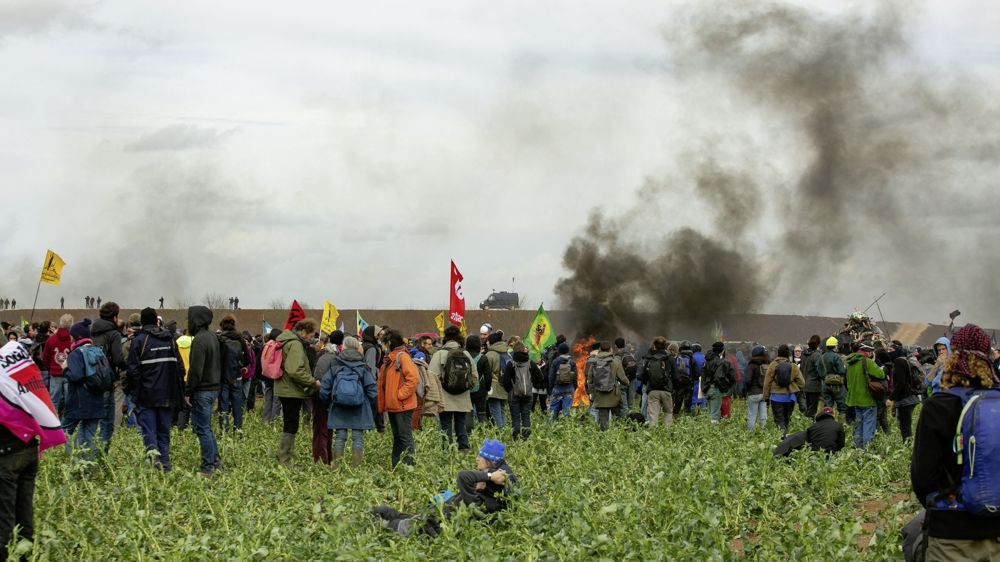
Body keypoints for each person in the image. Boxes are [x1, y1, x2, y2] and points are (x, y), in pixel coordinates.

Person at [910, 323, 1000, 559]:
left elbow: (923, 478)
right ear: (989, 356)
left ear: (953, 356)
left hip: (952, 533)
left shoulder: (937, 405)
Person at [372, 439, 518, 537]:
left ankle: (383, 522)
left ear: (489, 460)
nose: (477, 458)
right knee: (419, 517)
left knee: (411, 525)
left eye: (481, 456)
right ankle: (389, 514)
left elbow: (463, 476)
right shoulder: (500, 472)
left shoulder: (492, 484)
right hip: (448, 513)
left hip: (446, 522)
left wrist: (488, 477)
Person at [126, 308, 184, 471]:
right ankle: (165, 463)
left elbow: (132, 370)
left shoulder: (139, 341)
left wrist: (135, 393)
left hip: (147, 395)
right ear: (156, 321)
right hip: (167, 394)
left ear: (142, 323)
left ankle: (155, 464)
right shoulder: (170, 340)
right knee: (164, 430)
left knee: (149, 430)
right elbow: (180, 368)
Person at [318, 336, 376, 467]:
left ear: (343, 347)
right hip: (359, 407)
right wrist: (370, 403)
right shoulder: (363, 365)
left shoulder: (335, 363)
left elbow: (325, 387)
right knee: (357, 438)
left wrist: (328, 402)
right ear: (357, 347)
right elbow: (372, 389)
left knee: (339, 437)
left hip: (338, 406)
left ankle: (337, 467)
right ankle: (355, 468)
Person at [275, 319, 321, 467]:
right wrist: (312, 382)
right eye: (311, 334)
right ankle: (285, 460)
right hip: (291, 390)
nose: (311, 338)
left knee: (290, 422)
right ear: (303, 331)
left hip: (285, 388)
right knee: (291, 424)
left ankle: (284, 457)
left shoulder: (287, 340)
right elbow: (295, 370)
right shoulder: (295, 344)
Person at [60, 319, 105, 461]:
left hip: (78, 402)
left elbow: (76, 376)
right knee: (89, 436)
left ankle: (70, 462)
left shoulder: (76, 353)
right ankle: (87, 467)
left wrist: (65, 369)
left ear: (77, 336)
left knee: (64, 432)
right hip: (97, 401)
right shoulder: (98, 351)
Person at [185, 306, 221, 477]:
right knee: (207, 428)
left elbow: (195, 371)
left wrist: (188, 391)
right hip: (213, 388)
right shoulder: (212, 337)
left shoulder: (199, 340)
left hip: (203, 390)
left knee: (203, 429)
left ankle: (207, 468)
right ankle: (215, 462)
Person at [378, 329, 419, 468]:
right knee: (398, 438)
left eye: (383, 343)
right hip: (394, 406)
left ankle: (409, 467)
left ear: (389, 343)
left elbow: (413, 379)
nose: (381, 346)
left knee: (405, 437)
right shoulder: (391, 359)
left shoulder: (402, 357)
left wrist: (399, 395)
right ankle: (395, 466)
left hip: (402, 405)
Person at [430, 326, 474, 452]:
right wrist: (465, 388)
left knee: (445, 425)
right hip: (463, 396)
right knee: (461, 424)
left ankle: (447, 450)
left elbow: (432, 376)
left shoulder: (439, 354)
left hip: (444, 397)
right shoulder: (466, 354)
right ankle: (464, 449)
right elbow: (474, 376)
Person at [90, 302, 124, 453]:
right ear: (115, 317)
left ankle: (85, 452)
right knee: (107, 422)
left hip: (90, 377)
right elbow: (118, 359)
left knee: (90, 421)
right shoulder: (114, 334)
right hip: (106, 379)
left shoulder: (91, 331)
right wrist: (128, 366)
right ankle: (101, 456)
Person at [310, 330, 344, 465]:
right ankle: (322, 459)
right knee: (323, 429)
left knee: (322, 428)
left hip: (319, 394)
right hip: (324, 395)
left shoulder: (322, 355)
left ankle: (324, 457)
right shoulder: (335, 358)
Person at [845, 343, 885, 450]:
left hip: (854, 399)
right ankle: (867, 453)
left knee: (858, 427)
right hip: (868, 400)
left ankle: (858, 451)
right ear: (867, 351)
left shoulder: (849, 362)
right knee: (868, 427)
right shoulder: (866, 361)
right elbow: (881, 375)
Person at [500, 341, 542, 441]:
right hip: (528, 394)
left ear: (513, 350)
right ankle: (526, 439)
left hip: (514, 395)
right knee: (526, 417)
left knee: (515, 418)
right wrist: (532, 385)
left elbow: (505, 381)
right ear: (524, 349)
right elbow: (540, 377)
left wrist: (510, 390)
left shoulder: (511, 364)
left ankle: (516, 439)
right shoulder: (530, 363)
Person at [763, 344, 805, 437]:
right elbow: (802, 383)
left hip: (776, 397)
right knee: (786, 419)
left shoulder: (773, 365)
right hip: (790, 398)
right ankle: (786, 435)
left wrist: (766, 397)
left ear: (778, 353)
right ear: (788, 354)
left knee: (779, 420)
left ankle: (783, 437)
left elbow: (767, 383)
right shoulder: (793, 366)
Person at [216, 315, 250, 433]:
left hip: (223, 377)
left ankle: (224, 430)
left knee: (223, 405)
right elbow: (248, 359)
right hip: (237, 375)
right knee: (237, 404)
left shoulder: (219, 339)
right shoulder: (240, 338)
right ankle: (238, 429)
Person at [586, 341, 628, 430]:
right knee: (618, 418)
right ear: (610, 349)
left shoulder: (594, 362)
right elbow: (622, 378)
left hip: (600, 395)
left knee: (603, 422)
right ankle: (619, 436)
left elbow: (590, 380)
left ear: (600, 350)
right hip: (614, 395)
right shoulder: (616, 362)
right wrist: (627, 383)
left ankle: (604, 438)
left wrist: (592, 393)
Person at [637, 337, 675, 427]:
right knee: (668, 412)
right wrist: (672, 387)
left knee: (653, 414)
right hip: (666, 390)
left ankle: (653, 433)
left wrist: (648, 383)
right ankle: (667, 431)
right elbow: (676, 375)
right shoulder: (669, 358)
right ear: (665, 346)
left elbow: (642, 375)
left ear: (654, 345)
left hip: (653, 390)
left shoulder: (649, 358)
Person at [42, 314, 73, 417]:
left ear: (60, 323)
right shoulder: (73, 340)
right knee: (70, 401)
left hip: (55, 374)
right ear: (71, 324)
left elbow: (45, 358)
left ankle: (54, 426)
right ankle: (67, 426)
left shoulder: (51, 340)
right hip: (70, 373)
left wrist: (50, 368)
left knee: (54, 401)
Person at [702, 342, 735, 423]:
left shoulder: (707, 361)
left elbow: (703, 375)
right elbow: (718, 377)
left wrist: (704, 387)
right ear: (722, 351)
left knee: (710, 413)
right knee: (715, 415)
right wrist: (724, 388)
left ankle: (708, 431)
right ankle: (713, 433)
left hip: (707, 389)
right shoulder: (719, 362)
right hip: (715, 389)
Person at [889, 356, 920, 440]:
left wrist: (891, 397)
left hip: (905, 400)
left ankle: (907, 445)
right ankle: (908, 444)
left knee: (905, 426)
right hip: (911, 398)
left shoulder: (898, 361)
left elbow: (901, 382)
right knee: (906, 425)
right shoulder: (905, 360)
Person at [361, 325, 385, 433]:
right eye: (378, 334)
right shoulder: (371, 348)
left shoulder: (364, 345)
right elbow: (370, 366)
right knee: (374, 405)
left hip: (364, 380)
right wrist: (372, 381)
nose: (379, 336)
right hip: (371, 381)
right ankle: (375, 428)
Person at [484, 332, 509, 428]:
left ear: (491, 342)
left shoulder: (490, 354)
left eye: (487, 341)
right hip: (505, 386)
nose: (486, 343)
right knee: (502, 411)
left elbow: (486, 372)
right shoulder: (506, 353)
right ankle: (504, 431)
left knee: (495, 412)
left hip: (493, 388)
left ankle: (499, 433)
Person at [547, 342, 577, 422]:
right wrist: (574, 387)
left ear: (559, 351)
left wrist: (550, 390)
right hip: (569, 388)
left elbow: (551, 376)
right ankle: (565, 428)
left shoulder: (555, 361)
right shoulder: (572, 362)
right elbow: (574, 376)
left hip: (557, 388)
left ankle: (550, 429)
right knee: (566, 410)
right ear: (568, 351)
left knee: (552, 410)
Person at [819, 336, 848, 417]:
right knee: (842, 408)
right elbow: (842, 371)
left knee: (827, 407)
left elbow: (819, 371)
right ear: (835, 346)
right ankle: (841, 425)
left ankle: (828, 425)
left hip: (825, 384)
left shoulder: (821, 357)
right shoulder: (837, 357)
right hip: (837, 385)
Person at [467, 335, 491, 427]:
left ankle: (468, 433)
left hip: (467, 389)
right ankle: (484, 434)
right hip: (481, 390)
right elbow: (488, 376)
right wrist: (487, 388)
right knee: (481, 413)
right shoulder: (483, 358)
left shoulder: (464, 356)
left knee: (468, 413)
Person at [260, 328, 283, 424]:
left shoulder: (266, 346)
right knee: (276, 401)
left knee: (268, 399)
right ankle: (274, 421)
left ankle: (265, 420)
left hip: (266, 376)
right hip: (276, 377)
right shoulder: (278, 346)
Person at [799, 335, 824, 418]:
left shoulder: (803, 354)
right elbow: (820, 371)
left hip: (804, 383)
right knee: (812, 409)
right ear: (818, 344)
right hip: (814, 385)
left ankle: (805, 422)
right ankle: (810, 424)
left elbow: (801, 368)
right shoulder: (817, 355)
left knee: (808, 406)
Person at [745, 345, 768, 431]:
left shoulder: (751, 366)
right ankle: (764, 431)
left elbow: (747, 380)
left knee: (752, 415)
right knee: (763, 415)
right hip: (763, 393)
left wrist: (747, 389)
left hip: (753, 393)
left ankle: (751, 433)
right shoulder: (766, 365)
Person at [174, 329, 193, 431]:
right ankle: (195, 427)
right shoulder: (195, 341)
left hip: (180, 376)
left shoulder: (177, 341)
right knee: (193, 403)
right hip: (191, 376)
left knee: (183, 405)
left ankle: (181, 428)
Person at [614, 337, 638, 414]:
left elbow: (617, 369)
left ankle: (625, 419)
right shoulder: (630, 354)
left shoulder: (617, 356)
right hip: (632, 379)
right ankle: (631, 417)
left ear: (615, 346)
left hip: (623, 381)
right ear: (624, 344)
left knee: (624, 404)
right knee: (630, 403)